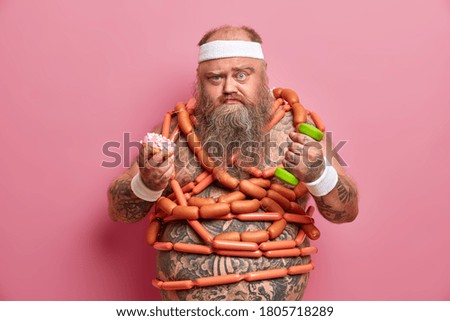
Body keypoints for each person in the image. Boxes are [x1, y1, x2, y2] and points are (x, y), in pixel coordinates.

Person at [107, 25, 359, 300]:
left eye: (241, 75)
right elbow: (120, 212)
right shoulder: (173, 133)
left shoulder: (301, 132)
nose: (229, 88)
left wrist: (318, 174)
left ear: (263, 74)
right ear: (199, 80)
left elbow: (345, 212)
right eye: (215, 78)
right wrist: (146, 184)